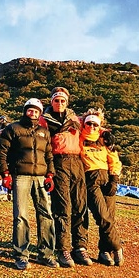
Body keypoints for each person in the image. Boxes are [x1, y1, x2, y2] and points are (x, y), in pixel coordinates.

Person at [0, 98, 58, 270]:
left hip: (40, 178)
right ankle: (21, 255)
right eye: (30, 110)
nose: (33, 113)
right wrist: (5, 174)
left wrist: (50, 174)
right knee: (21, 216)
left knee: (46, 215)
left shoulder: (44, 132)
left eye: (36, 111)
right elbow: (0, 151)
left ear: (40, 113)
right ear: (25, 111)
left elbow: (49, 155)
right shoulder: (13, 129)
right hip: (20, 176)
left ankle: (46, 254)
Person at [43, 86, 92, 267]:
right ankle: (63, 248)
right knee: (63, 205)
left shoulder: (75, 119)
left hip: (77, 162)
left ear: (67, 102)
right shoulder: (44, 120)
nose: (60, 103)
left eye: (63, 101)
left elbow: (93, 129)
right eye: (57, 100)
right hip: (58, 161)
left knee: (80, 205)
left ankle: (80, 246)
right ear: (52, 102)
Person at [80, 109, 124, 266]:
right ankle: (117, 246)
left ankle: (104, 251)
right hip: (90, 178)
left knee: (110, 216)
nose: (91, 126)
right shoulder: (79, 137)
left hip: (107, 177)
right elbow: (74, 121)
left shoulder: (105, 140)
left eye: (95, 124)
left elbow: (114, 159)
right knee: (102, 216)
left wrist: (114, 178)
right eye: (88, 123)